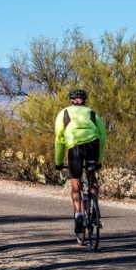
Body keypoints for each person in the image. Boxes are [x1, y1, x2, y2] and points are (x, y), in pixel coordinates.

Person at [54, 89, 107, 234]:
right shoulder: (92, 113)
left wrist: (58, 163)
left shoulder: (63, 113)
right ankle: (95, 206)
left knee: (76, 185)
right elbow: (102, 137)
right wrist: (99, 160)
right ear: (84, 100)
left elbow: (59, 139)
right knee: (92, 177)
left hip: (75, 147)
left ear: (70, 100)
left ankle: (78, 214)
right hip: (93, 145)